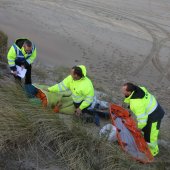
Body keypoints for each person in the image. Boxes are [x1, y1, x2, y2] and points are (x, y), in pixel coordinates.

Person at [121, 82, 165, 156]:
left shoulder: (136, 103)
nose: (122, 92)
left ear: (129, 92)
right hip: (154, 109)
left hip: (155, 115)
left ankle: (153, 152)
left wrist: (138, 128)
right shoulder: (140, 89)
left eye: (123, 91)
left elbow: (142, 120)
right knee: (146, 131)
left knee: (151, 136)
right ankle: (146, 142)